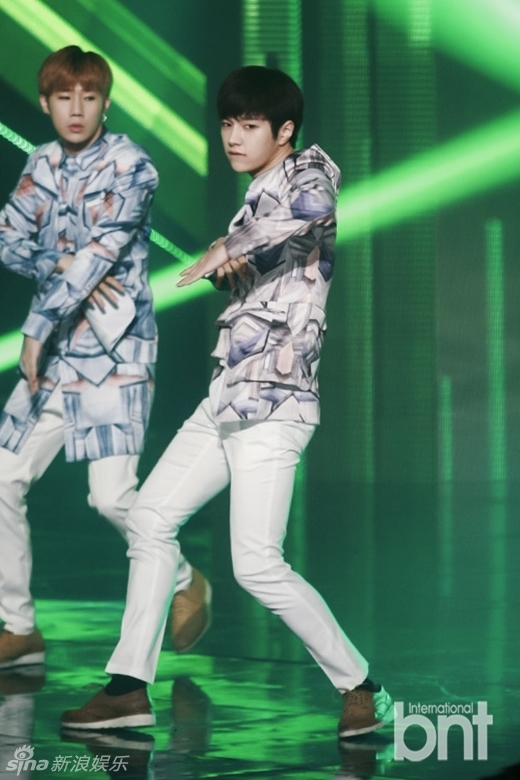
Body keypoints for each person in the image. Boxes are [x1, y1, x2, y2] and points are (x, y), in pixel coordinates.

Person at [61, 65, 393, 740]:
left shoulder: (309, 172)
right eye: (227, 125)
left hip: (275, 403)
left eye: (249, 125)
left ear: (284, 131)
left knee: (257, 564)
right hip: (227, 395)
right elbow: (260, 280)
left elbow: (312, 212)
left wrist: (225, 247)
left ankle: (362, 687)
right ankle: (127, 688)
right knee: (149, 518)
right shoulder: (252, 201)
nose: (234, 138)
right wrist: (231, 273)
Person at [0, 46, 211, 670]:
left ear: (105, 103)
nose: (76, 109)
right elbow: (7, 239)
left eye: (88, 97)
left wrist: (38, 323)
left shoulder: (132, 166)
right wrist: (57, 260)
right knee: (1, 478)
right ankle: (19, 627)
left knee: (110, 498)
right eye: (64, 97)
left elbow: (102, 254)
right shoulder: (40, 164)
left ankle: (186, 579)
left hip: (113, 354)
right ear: (45, 103)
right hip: (53, 360)